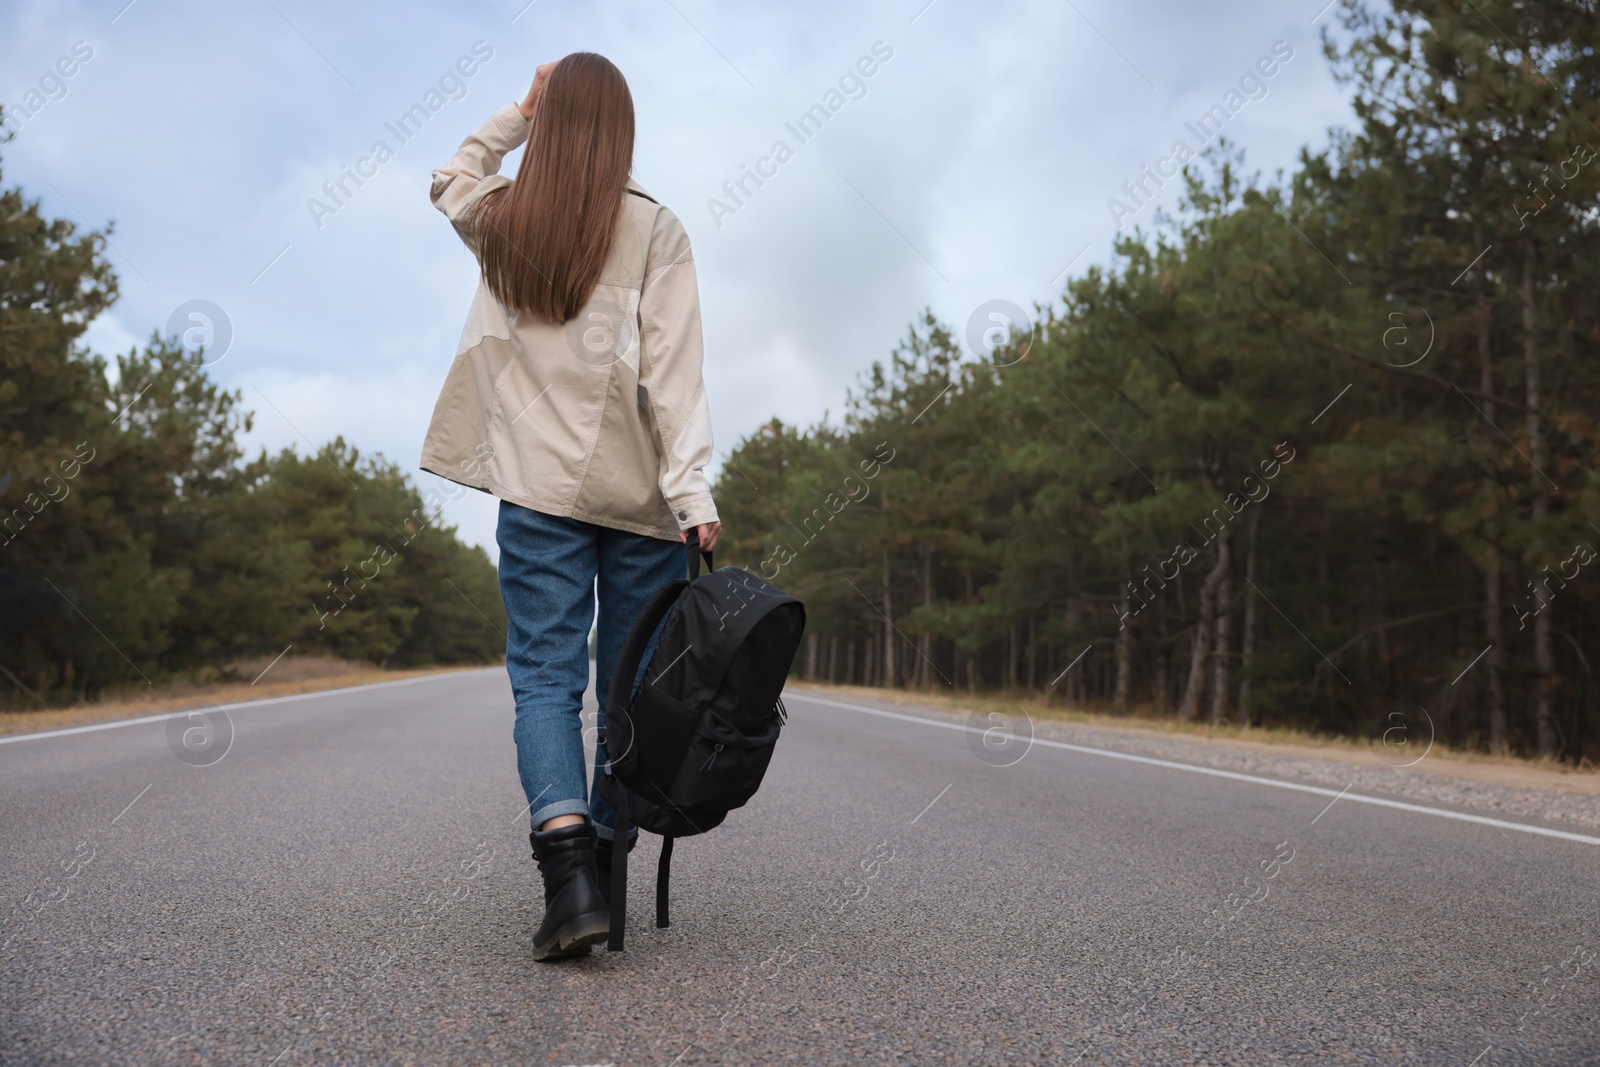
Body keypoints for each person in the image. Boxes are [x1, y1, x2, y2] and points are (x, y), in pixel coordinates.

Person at [421, 53, 720, 960]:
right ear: (623, 131)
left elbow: (449, 178)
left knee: (548, 680)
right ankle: (607, 871)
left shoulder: (509, 220)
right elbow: (675, 378)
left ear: (550, 125)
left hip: (540, 493)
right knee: (625, 692)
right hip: (639, 501)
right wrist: (693, 490)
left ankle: (568, 880)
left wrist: (516, 112)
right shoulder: (656, 228)